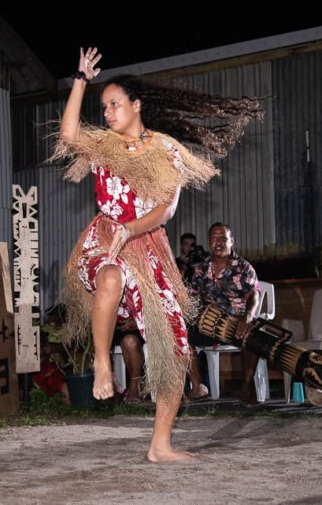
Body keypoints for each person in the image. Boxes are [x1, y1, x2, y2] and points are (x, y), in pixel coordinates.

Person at [48, 46, 264, 462]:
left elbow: (167, 207)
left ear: (136, 105)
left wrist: (134, 227)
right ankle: (101, 364)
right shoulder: (104, 145)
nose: (108, 112)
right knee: (110, 277)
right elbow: (69, 136)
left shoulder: (165, 149)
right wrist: (80, 79)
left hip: (149, 248)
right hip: (106, 239)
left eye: (115, 104)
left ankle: (160, 445)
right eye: (104, 105)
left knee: (175, 344)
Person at [187, 222, 262, 406]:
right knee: (178, 333)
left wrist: (248, 316)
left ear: (232, 241)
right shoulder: (200, 269)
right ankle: (198, 386)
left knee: (252, 336)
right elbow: (192, 298)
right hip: (207, 325)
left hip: (236, 324)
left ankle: (247, 385)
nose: (219, 242)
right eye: (214, 238)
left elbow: (254, 294)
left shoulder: (243, 267)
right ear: (209, 242)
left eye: (223, 238)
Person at [112, 318, 146, 402]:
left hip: (137, 326)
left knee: (130, 341)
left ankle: (134, 385)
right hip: (111, 326)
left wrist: (137, 321)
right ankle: (115, 386)